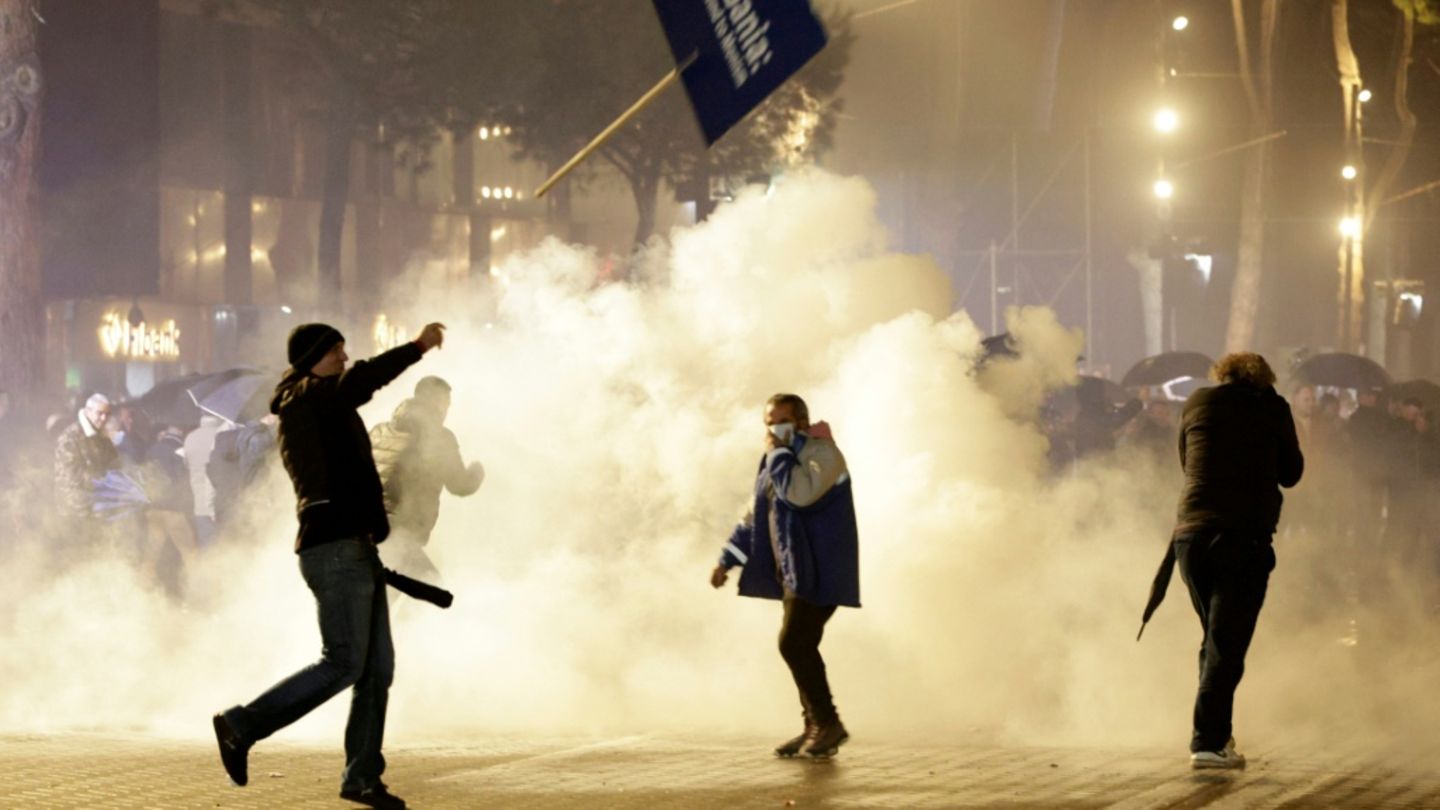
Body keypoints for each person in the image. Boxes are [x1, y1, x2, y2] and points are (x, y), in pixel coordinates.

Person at [212, 320, 446, 810]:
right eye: (336, 349)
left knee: (375, 671)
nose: (345, 356)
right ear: (313, 357)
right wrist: (417, 347)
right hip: (335, 547)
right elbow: (363, 379)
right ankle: (242, 725)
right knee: (343, 663)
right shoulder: (309, 398)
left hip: (354, 547)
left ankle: (361, 777)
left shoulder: (320, 401)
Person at [1139, 353, 1303, 770]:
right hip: (1240, 538)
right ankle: (1207, 743)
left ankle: (1217, 735)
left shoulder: (1197, 402)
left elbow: (1186, 462)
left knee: (1216, 641)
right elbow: (1292, 472)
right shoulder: (1272, 407)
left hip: (1190, 537)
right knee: (1225, 645)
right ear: (1263, 380)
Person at [711, 393, 860, 759]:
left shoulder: (823, 454)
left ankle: (827, 723)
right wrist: (726, 561)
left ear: (802, 422)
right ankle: (815, 725)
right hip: (793, 573)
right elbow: (753, 518)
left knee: (793, 643)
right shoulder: (774, 464)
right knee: (801, 645)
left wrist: (777, 454)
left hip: (820, 571)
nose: (774, 429)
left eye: (782, 421)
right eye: (769, 423)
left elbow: (800, 495)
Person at [369, 376, 484, 589]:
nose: (447, 410)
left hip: (368, 528)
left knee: (389, 593)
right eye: (446, 403)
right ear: (436, 402)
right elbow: (459, 485)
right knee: (432, 589)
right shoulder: (439, 437)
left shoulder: (380, 431)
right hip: (399, 531)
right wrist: (477, 472)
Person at [54, 393, 121, 523]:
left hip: (99, 508)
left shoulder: (103, 437)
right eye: (100, 413)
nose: (104, 418)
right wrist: (106, 480)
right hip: (75, 512)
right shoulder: (70, 438)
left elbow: (115, 464)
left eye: (107, 414)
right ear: (88, 411)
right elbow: (70, 477)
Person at [185, 414, 226, 548]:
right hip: (221, 502)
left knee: (207, 546)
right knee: (227, 544)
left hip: (199, 502)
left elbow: (186, 464)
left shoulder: (190, 438)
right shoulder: (222, 436)